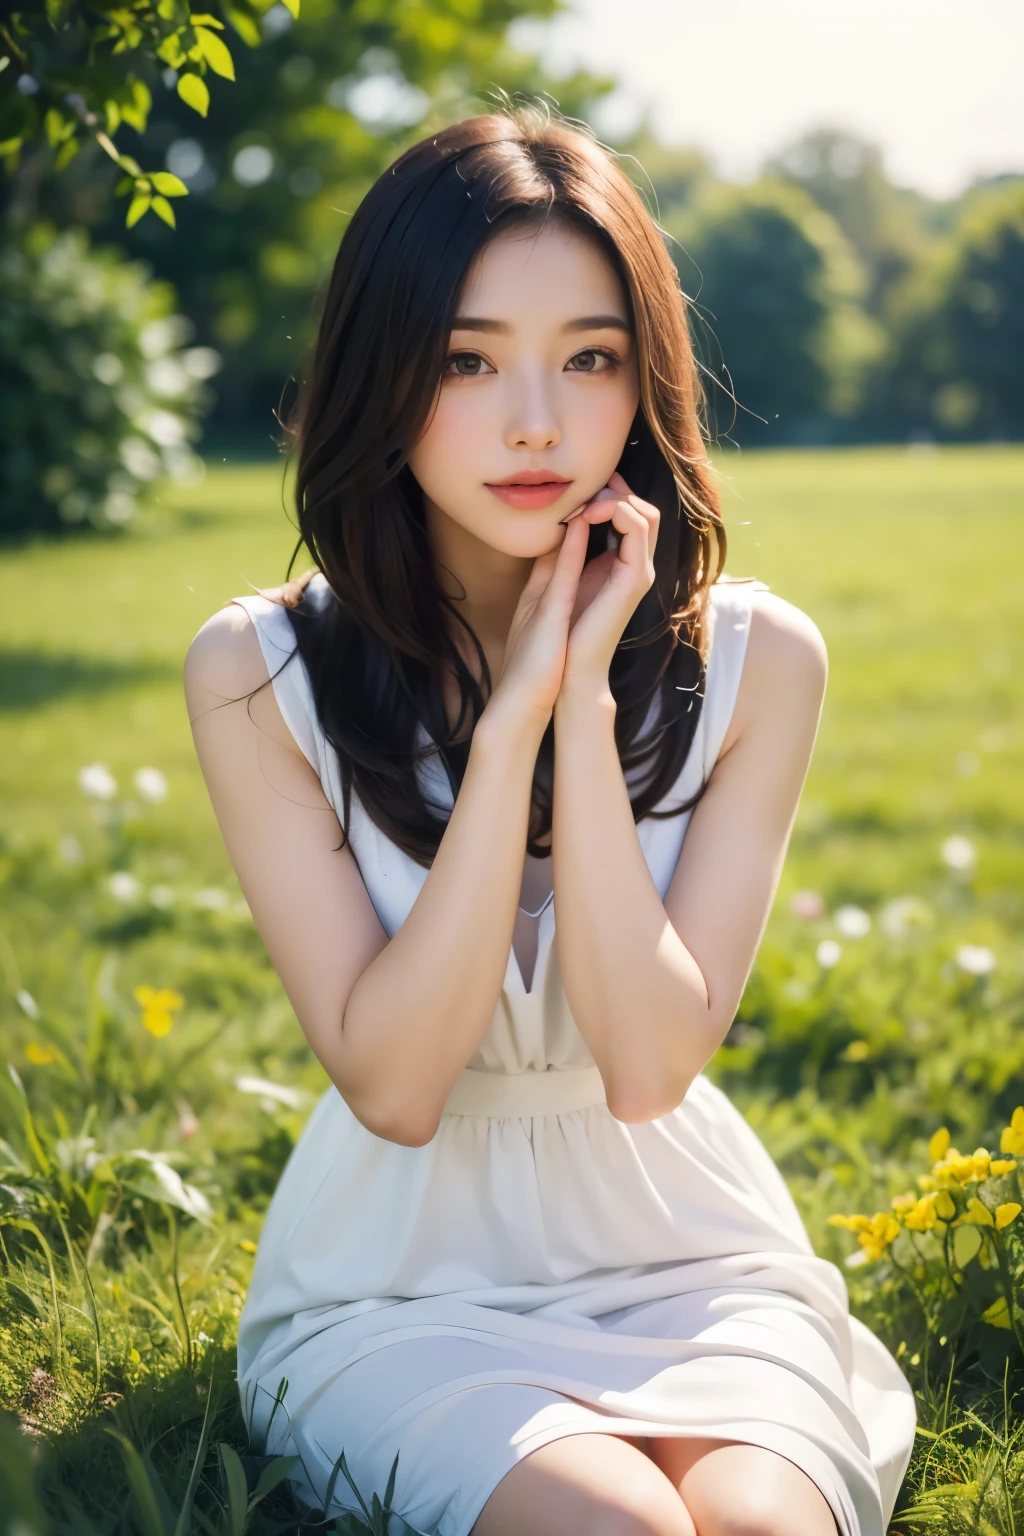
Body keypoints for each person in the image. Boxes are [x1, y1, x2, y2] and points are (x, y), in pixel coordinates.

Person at [184, 104, 916, 1536]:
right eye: (467, 360)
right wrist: (508, 714)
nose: (536, 421)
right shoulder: (261, 672)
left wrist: (580, 707)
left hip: (688, 1260)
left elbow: (647, 1066)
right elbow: (395, 1087)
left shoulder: (763, 663)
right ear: (382, 372)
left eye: (589, 358)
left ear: (645, 383)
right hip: (397, 1284)